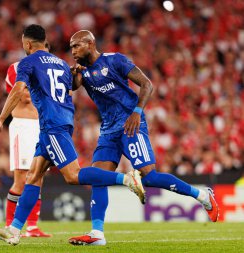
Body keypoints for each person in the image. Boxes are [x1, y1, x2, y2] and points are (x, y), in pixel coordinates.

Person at [0, 24, 145, 246]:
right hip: (58, 122)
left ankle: (126, 179)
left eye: (24, 44)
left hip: (52, 126)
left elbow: (17, 89)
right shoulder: (61, 63)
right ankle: (14, 229)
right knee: (33, 175)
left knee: (72, 175)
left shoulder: (28, 62)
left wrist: (0, 120)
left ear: (28, 44)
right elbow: (70, 90)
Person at [68, 30, 219, 246]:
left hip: (131, 124)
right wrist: (74, 75)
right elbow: (74, 86)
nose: (72, 51)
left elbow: (147, 84)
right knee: (98, 177)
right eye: (71, 47)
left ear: (90, 43)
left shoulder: (115, 60)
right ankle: (97, 233)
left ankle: (202, 195)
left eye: (76, 46)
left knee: (149, 177)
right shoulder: (82, 71)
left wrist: (137, 112)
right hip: (109, 130)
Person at [3, 59, 51, 237]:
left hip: (39, 126)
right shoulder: (15, 69)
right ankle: (9, 225)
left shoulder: (46, 70)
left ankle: (32, 227)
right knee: (21, 179)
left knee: (38, 176)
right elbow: (15, 90)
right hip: (21, 128)